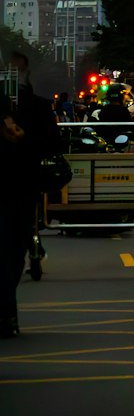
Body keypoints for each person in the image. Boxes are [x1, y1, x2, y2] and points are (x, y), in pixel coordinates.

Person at [0, 91, 41, 338]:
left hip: (16, 199)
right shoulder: (19, 129)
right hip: (19, 200)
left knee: (9, 257)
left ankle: (6, 314)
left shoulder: (18, 131)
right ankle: (7, 315)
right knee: (10, 258)